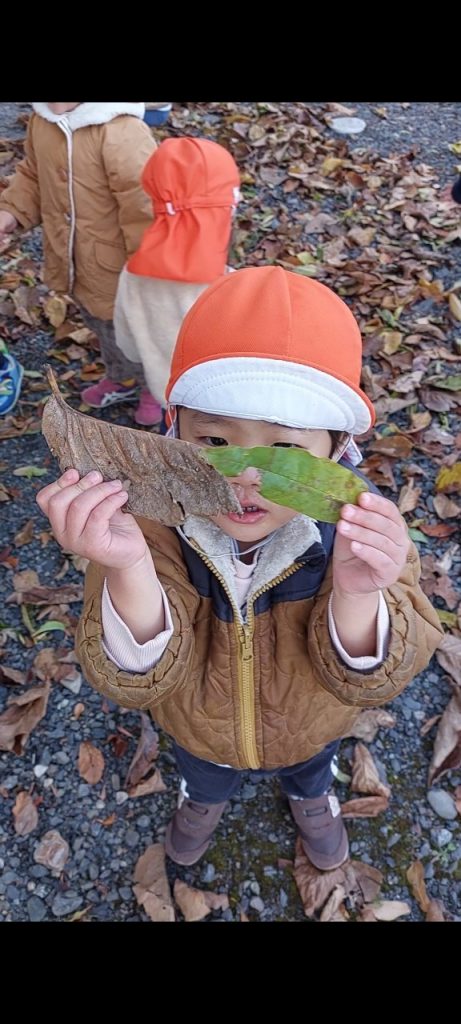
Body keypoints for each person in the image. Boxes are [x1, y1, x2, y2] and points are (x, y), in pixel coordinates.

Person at [37, 267, 443, 871]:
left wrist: (358, 596)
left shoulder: (362, 534)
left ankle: (311, 794)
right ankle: (201, 800)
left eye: (283, 452)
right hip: (201, 726)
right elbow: (132, 676)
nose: (244, 479)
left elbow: (378, 675)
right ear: (176, 436)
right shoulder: (153, 527)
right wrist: (126, 570)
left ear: (336, 455)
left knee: (309, 762)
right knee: (204, 772)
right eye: (216, 445)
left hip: (309, 721)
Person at [0, 103, 156, 416]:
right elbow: (34, 174)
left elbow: (145, 209)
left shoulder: (120, 131)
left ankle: (155, 387)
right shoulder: (44, 120)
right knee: (101, 326)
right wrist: (11, 213)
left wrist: (149, 271)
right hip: (78, 264)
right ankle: (122, 378)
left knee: (137, 332)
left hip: (124, 272)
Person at [113, 137, 240, 425]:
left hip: (168, 396)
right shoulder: (230, 287)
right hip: (226, 411)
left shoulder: (132, 275)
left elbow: (127, 344)